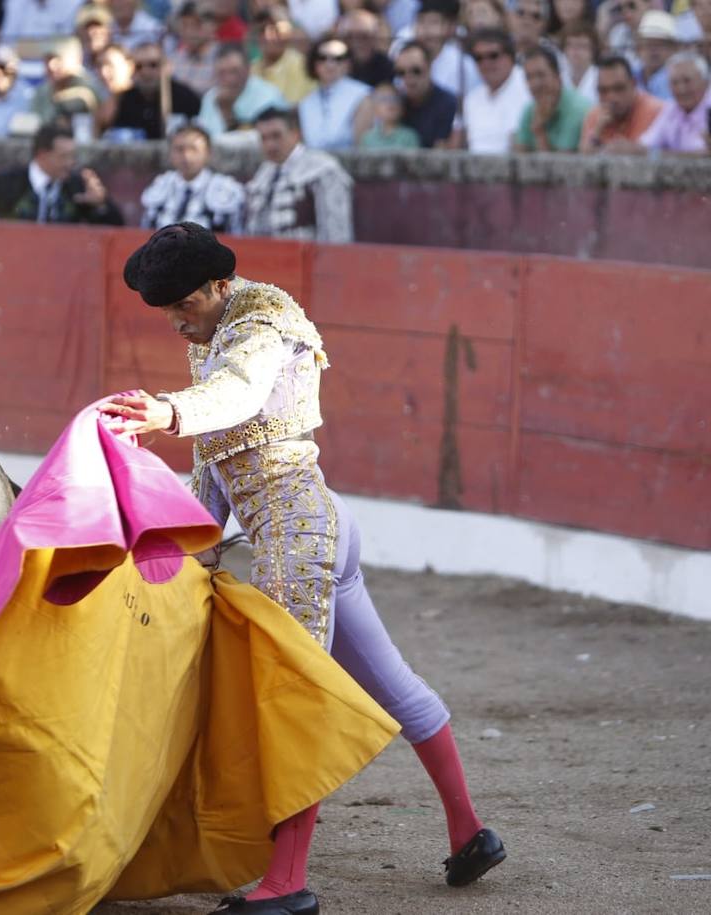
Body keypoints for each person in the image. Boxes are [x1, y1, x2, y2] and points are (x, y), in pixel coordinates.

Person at [101, 222, 507, 914]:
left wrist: (167, 411)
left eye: (183, 307)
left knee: (292, 697)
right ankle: (470, 831)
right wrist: (182, 550)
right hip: (315, 523)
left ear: (219, 286)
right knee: (391, 683)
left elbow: (239, 394)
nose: (175, 322)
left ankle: (286, 883)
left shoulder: (260, 322)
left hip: (297, 531)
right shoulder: (216, 330)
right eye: (165, 310)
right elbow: (215, 465)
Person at [0, 123, 124, 223]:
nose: (70, 163)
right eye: (63, 156)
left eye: (72, 156)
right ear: (42, 155)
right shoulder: (8, 183)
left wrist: (101, 204)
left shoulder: (77, 185)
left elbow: (116, 226)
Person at [244, 107, 352, 242]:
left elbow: (336, 234)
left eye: (276, 136)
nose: (270, 145)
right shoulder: (264, 172)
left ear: (295, 134)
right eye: (263, 138)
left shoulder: (323, 169)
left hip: (307, 259)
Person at [141, 124, 247, 231]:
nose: (186, 156)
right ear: (170, 153)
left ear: (208, 153)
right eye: (179, 149)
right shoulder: (160, 185)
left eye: (194, 149)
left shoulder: (226, 188)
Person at [637, 51, 711, 154]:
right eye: (674, 82)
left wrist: (660, 155)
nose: (681, 89)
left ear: (705, 82)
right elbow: (644, 145)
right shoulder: (672, 107)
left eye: (687, 81)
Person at [110, 41, 203, 140]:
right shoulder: (126, 99)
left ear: (167, 66)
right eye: (139, 66)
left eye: (153, 65)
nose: (146, 72)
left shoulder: (186, 98)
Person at [460, 27, 530, 153]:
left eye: (493, 56)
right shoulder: (472, 99)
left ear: (510, 56)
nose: (486, 63)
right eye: (479, 58)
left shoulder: (529, 87)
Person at [579, 54, 665, 152]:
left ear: (633, 84)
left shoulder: (656, 111)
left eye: (619, 88)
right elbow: (583, 158)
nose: (612, 97)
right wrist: (597, 131)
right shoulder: (595, 116)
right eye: (603, 90)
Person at [198, 43, 288, 136]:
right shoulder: (210, 97)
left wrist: (227, 112)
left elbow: (264, 140)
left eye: (234, 71)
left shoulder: (269, 96)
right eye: (222, 73)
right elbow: (203, 135)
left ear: (248, 69)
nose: (229, 79)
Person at [513, 43, 590, 152]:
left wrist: (539, 131)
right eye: (529, 77)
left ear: (557, 77)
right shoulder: (529, 110)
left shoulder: (577, 109)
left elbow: (560, 166)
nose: (535, 83)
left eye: (540, 75)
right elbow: (518, 158)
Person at [297, 37, 371, 149]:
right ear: (314, 64)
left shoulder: (362, 95)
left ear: (348, 63)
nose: (329, 64)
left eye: (338, 58)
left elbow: (361, 146)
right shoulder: (306, 102)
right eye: (322, 58)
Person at [395, 41, 458, 147]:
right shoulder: (397, 104)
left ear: (429, 68)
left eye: (416, 71)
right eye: (401, 72)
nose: (408, 78)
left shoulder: (448, 103)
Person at [413, 0, 479, 98]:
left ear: (447, 28)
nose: (426, 29)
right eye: (421, 21)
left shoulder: (462, 64)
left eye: (433, 22)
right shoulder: (406, 58)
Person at [252, 7, 315, 105]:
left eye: (278, 30)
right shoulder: (251, 70)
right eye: (263, 30)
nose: (270, 36)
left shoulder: (302, 66)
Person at [170, 2, 220, 96]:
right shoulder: (174, 59)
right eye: (184, 25)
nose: (189, 32)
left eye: (196, 25)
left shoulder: (223, 58)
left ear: (213, 26)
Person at [337, 9, 393, 86]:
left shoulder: (387, 67)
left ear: (375, 37)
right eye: (349, 37)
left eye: (364, 36)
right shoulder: (333, 63)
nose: (356, 42)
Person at [358, 81, 422, 148]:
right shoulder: (367, 138)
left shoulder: (409, 136)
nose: (390, 103)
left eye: (395, 99)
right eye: (384, 99)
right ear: (374, 108)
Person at [635, 9, 679, 101]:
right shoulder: (630, 75)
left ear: (673, 48)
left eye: (659, 44)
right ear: (638, 47)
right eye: (648, 44)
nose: (653, 50)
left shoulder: (679, 78)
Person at [561, 22, 598, 103]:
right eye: (570, 45)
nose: (575, 50)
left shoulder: (601, 77)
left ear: (592, 50)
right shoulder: (559, 79)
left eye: (581, 45)